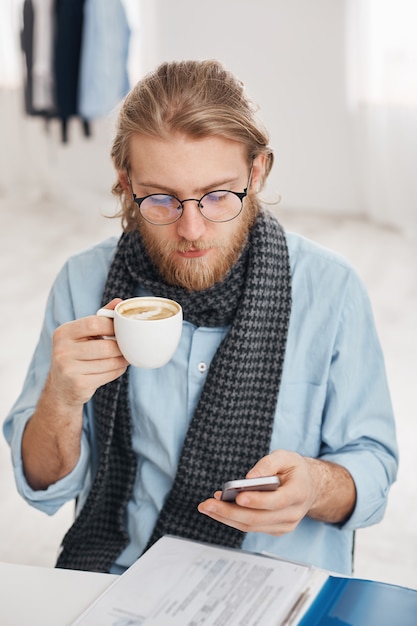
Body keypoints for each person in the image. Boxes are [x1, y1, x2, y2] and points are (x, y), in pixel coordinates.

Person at [3, 59, 398, 575]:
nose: (191, 228)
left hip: (281, 578)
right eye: (162, 199)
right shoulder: (83, 282)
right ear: (125, 184)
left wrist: (316, 485)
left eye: (216, 195)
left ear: (257, 173)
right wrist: (59, 397)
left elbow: (372, 466)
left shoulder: (331, 289)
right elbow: (42, 487)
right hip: (127, 572)